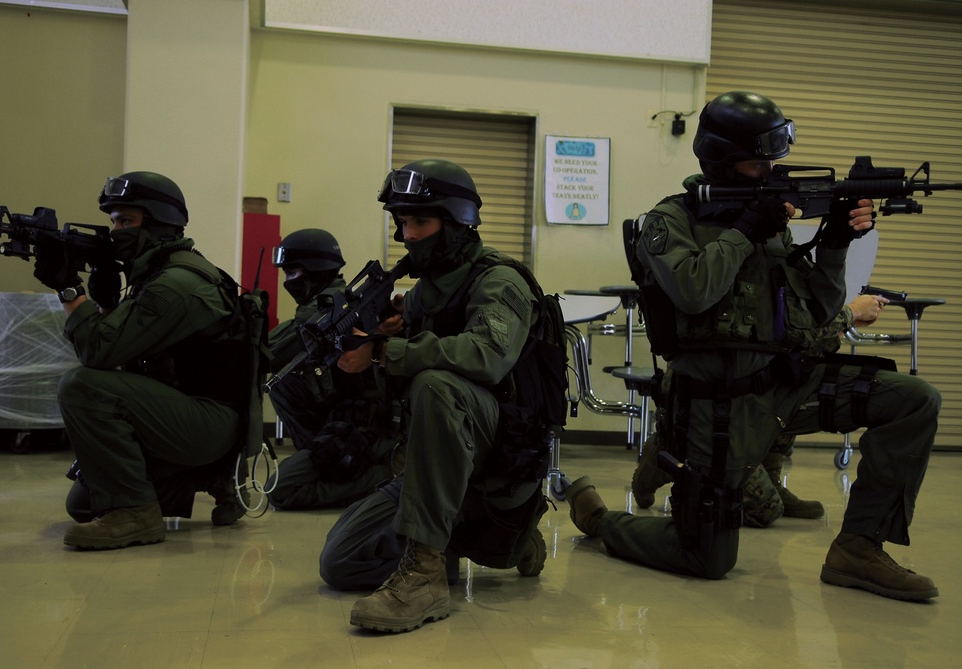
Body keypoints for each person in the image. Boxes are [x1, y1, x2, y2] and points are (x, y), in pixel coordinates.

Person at [567, 91, 941, 601]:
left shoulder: (770, 225)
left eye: (772, 162)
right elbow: (694, 291)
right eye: (754, 163)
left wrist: (834, 245)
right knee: (705, 558)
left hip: (786, 384)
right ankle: (602, 520)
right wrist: (745, 231)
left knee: (913, 399)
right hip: (717, 400)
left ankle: (859, 547)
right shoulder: (669, 221)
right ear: (718, 160)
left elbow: (815, 311)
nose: (767, 173)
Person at [318, 159, 552, 633]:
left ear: (457, 223)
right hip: (437, 463)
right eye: (402, 222)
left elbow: (487, 355)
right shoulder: (425, 293)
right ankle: (457, 539)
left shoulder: (499, 281)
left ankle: (426, 572)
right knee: (339, 562)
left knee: (437, 385)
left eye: (420, 221)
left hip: (499, 456)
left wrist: (388, 351)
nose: (408, 235)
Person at [35, 171, 254, 549]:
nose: (114, 229)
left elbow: (98, 353)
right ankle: (212, 476)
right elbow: (127, 352)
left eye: (125, 221)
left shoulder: (176, 284)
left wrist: (69, 288)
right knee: (84, 503)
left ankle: (137, 515)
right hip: (191, 411)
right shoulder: (159, 273)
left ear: (157, 224)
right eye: (112, 220)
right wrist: (104, 302)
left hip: (208, 420)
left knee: (81, 387)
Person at [631, 292, 890, 527]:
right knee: (766, 510)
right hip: (713, 406)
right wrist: (850, 313)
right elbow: (789, 328)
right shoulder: (738, 265)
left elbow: (799, 341)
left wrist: (841, 326)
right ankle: (664, 453)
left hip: (747, 400)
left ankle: (771, 479)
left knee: (792, 383)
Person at [265, 228, 401, 509]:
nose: (288, 282)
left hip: (369, 425)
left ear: (314, 271)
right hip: (345, 415)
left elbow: (268, 353)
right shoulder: (342, 300)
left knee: (280, 490)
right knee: (283, 383)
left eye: (292, 273)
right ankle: (329, 461)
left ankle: (389, 475)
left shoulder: (324, 310)